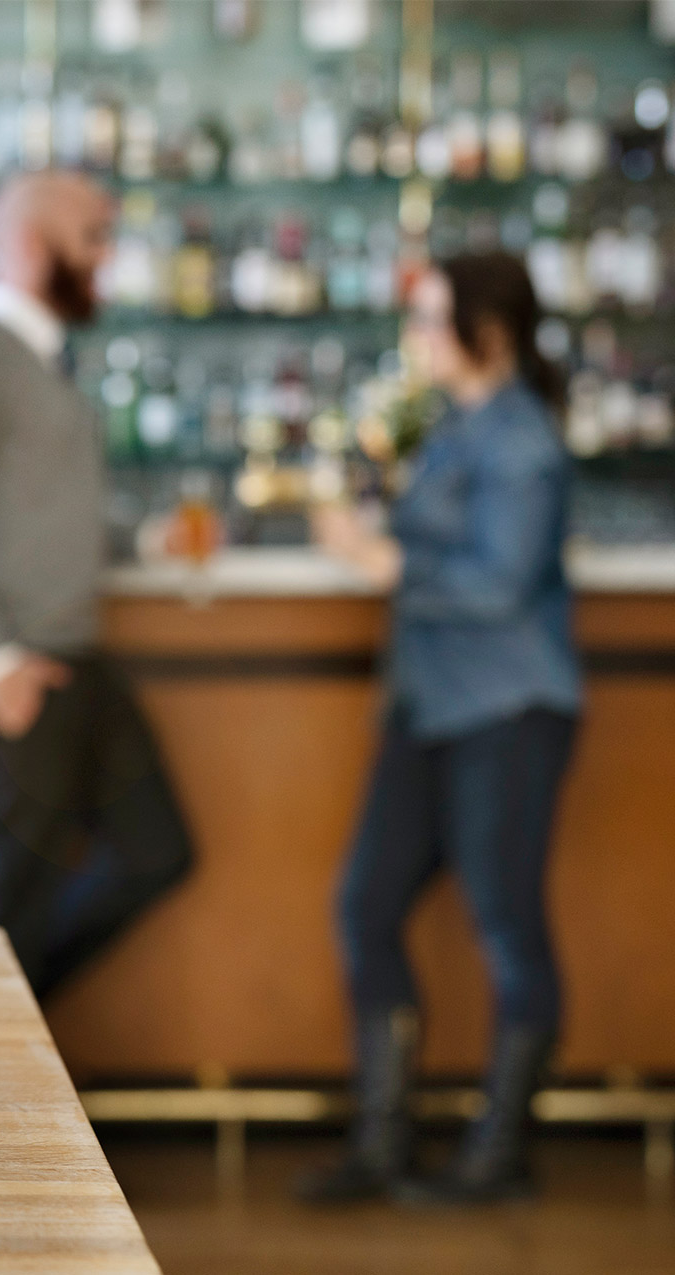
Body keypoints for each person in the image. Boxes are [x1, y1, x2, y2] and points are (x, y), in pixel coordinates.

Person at [300, 252, 581, 1205]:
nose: (416, 338)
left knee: (505, 924)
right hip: (428, 706)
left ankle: (500, 1153)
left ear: (488, 334)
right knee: (366, 904)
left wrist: (380, 562)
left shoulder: (523, 441)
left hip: (506, 708)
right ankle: (383, 1144)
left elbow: (500, 585)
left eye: (430, 319)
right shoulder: (454, 428)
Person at [0, 170, 194, 998]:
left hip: (71, 654)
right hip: (10, 670)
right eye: (94, 237)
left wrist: (142, 539)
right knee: (6, 908)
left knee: (156, 851)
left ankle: (10, 1029)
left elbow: (41, 511)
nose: (108, 258)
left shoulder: (45, 355)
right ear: (33, 245)